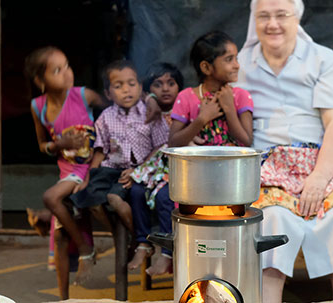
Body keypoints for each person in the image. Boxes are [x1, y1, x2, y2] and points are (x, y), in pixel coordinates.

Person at [235, 0, 333, 301]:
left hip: (321, 157)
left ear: (297, 17)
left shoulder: (320, 59)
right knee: (270, 218)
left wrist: (319, 178)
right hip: (266, 162)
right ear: (253, 20)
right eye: (264, 16)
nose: (273, 24)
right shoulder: (240, 63)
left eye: (281, 15)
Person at [26, 46, 104, 296]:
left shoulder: (85, 96)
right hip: (68, 173)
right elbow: (41, 145)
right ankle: (63, 297)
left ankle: (84, 248)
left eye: (67, 65)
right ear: (40, 81)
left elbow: (114, 114)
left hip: (91, 168)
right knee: (59, 237)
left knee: (51, 198)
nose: (67, 73)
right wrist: (57, 145)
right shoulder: (38, 106)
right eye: (57, 70)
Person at [70, 60, 169, 234]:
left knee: (114, 199)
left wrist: (139, 170)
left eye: (131, 84)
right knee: (88, 199)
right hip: (111, 170)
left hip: (140, 171)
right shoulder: (106, 117)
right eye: (118, 86)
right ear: (108, 94)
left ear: (140, 88)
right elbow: (100, 150)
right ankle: (115, 234)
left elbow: (161, 146)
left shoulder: (150, 112)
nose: (126, 89)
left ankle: (139, 238)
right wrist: (88, 178)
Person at [128, 62, 184, 275]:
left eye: (171, 83)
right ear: (148, 89)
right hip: (154, 168)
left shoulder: (184, 107)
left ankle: (166, 252)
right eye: (158, 85)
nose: (165, 88)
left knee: (164, 198)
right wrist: (150, 100)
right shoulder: (147, 111)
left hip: (176, 168)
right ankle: (143, 242)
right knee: (135, 191)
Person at [168, 31, 253, 148]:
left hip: (232, 165)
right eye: (229, 59)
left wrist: (229, 109)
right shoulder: (186, 97)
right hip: (198, 165)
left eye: (236, 58)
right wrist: (202, 118)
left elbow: (247, 142)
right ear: (206, 67)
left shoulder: (241, 96)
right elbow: (173, 143)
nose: (237, 65)